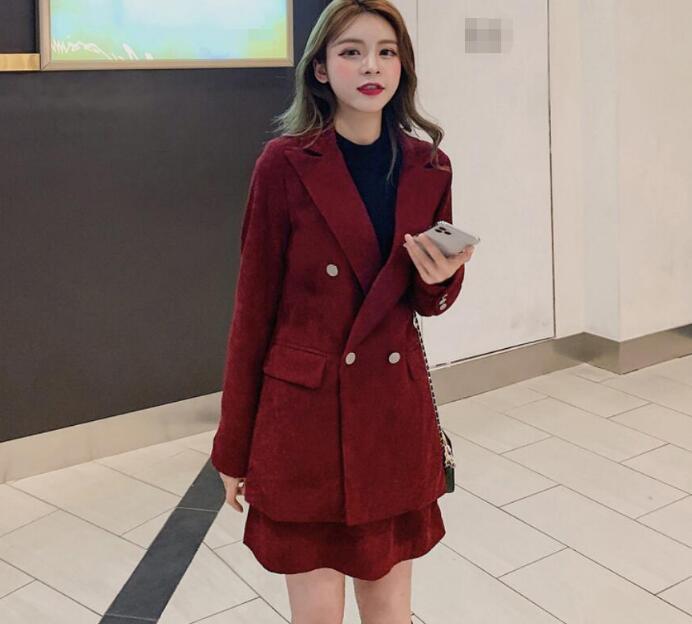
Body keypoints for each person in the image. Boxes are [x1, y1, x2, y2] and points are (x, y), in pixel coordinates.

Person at [211, 1, 475, 622]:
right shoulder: (283, 165)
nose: (371, 66)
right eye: (351, 51)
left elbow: (425, 302)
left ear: (403, 66)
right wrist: (233, 448)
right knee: (317, 615)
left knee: (390, 610)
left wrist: (442, 280)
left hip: (391, 414)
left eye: (386, 51)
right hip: (303, 420)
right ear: (322, 69)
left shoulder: (429, 166)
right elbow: (252, 313)